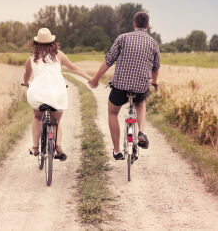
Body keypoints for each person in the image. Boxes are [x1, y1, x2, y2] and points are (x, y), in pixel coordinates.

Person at [89, 12, 160, 160]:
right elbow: (156, 67)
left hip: (120, 86)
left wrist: (96, 78)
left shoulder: (123, 38)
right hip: (140, 87)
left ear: (134, 24)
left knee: (113, 112)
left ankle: (116, 151)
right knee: (140, 104)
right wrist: (154, 81)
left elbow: (109, 61)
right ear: (147, 25)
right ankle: (141, 132)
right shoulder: (153, 43)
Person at [24, 28, 91, 160]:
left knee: (37, 117)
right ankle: (58, 147)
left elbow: (26, 77)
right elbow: (74, 68)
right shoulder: (59, 55)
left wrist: (27, 84)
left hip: (37, 94)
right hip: (57, 93)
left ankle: (35, 147)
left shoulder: (31, 59)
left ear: (36, 43)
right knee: (56, 120)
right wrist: (89, 78)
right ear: (52, 42)